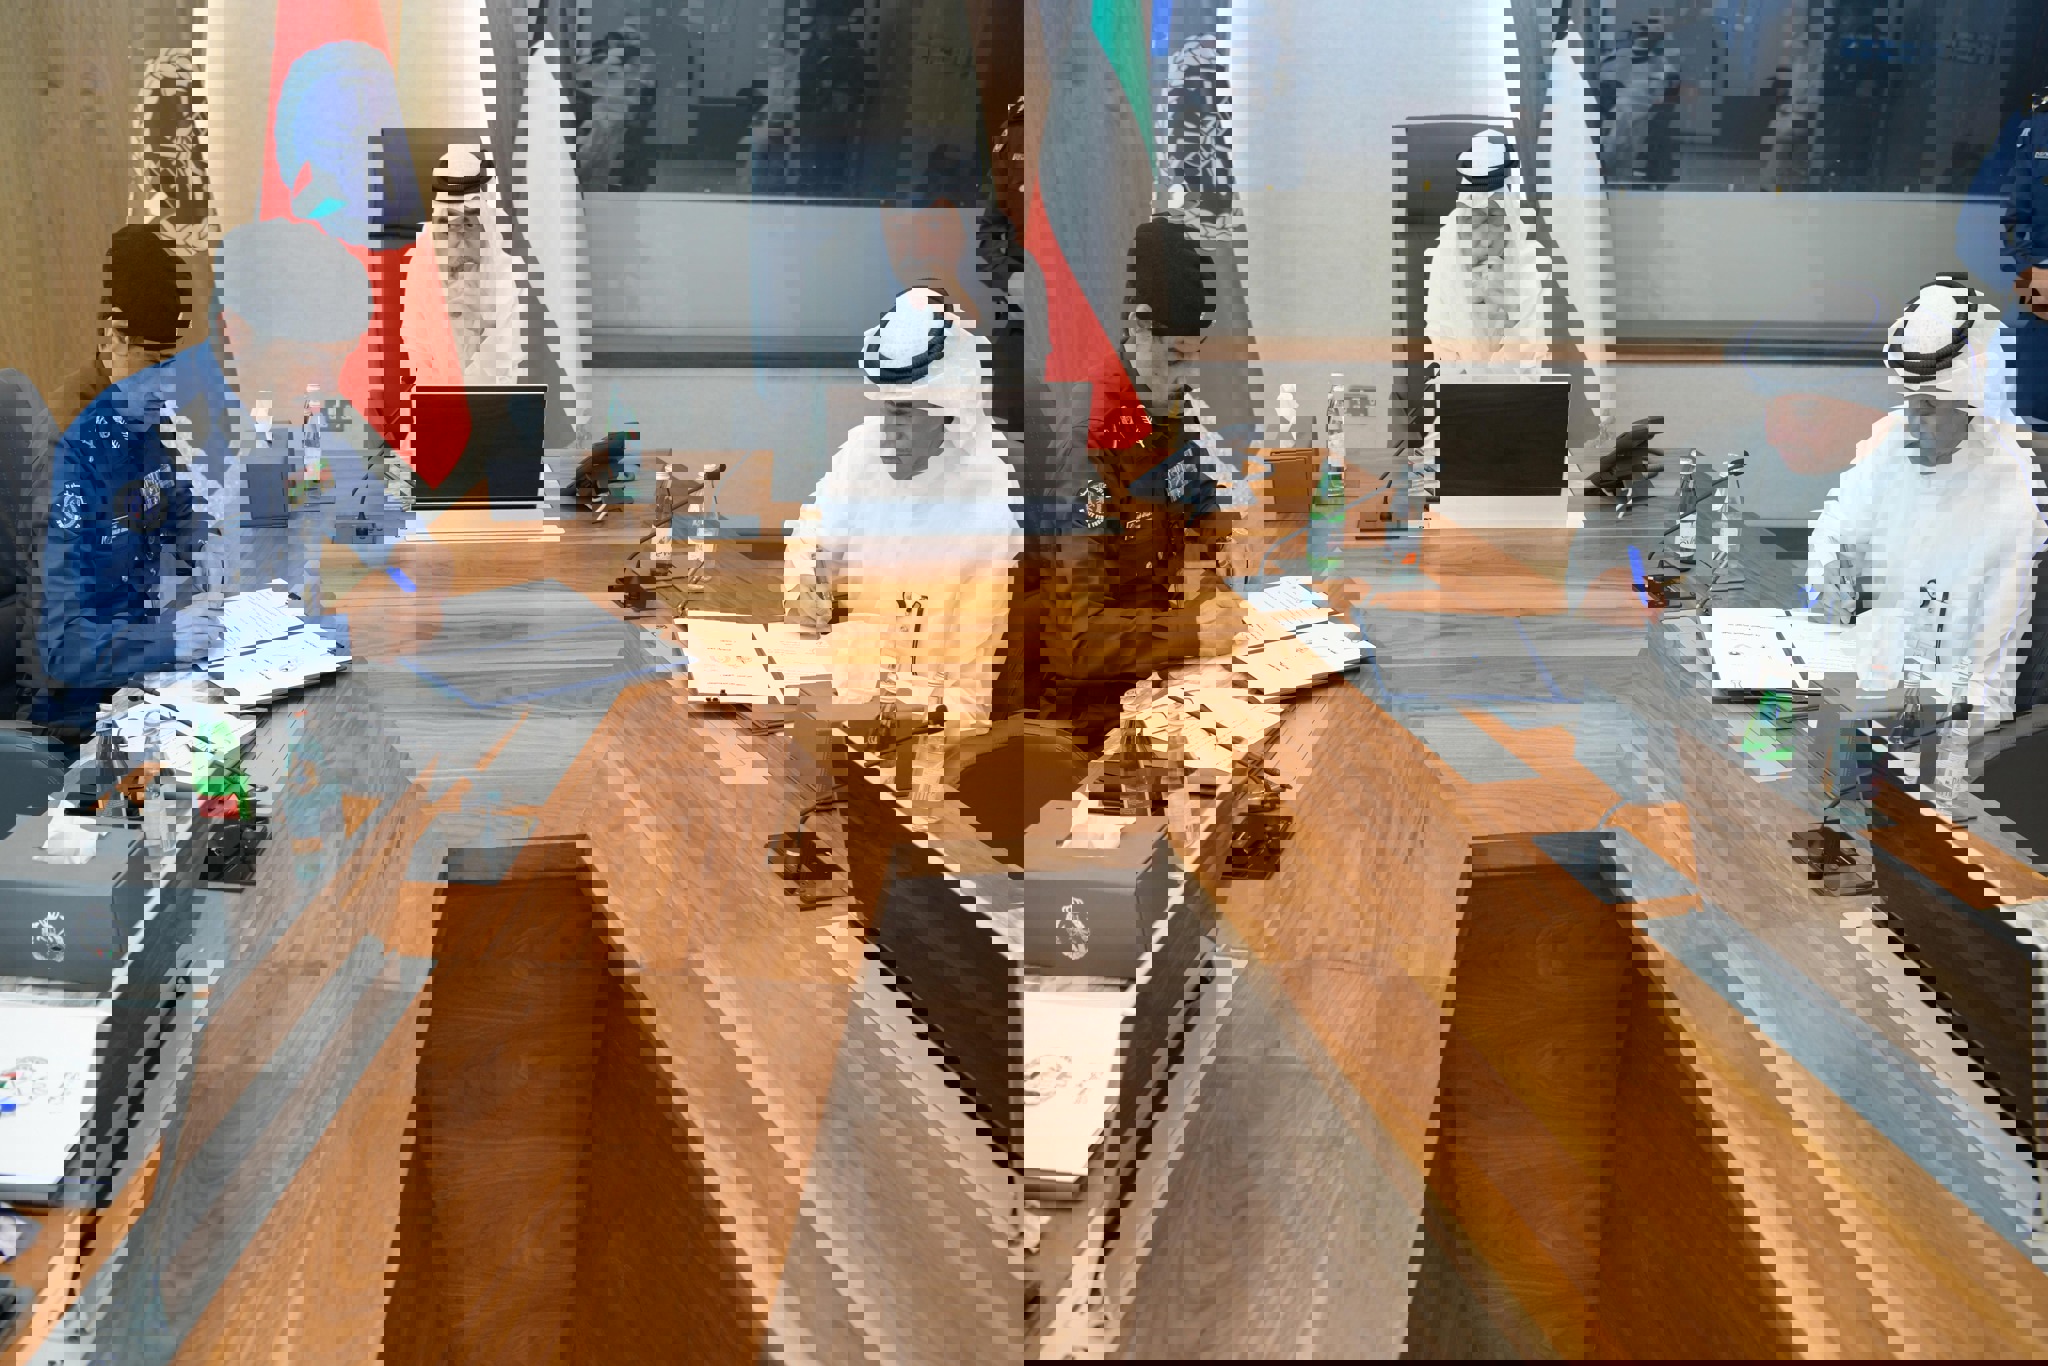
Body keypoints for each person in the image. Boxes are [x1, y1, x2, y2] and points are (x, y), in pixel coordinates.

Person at [1803, 277, 2048, 863]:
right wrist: (1831, 592)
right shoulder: (1892, 440)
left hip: (1951, 743)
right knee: (1765, 755)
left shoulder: (2012, 490)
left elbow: (1986, 671)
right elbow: (1835, 539)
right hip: (1872, 703)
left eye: (1932, 406)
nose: (1918, 418)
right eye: (1911, 402)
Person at [1045, 215, 1252, 753]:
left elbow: (1193, 491)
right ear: (1137, 327)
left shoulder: (1164, 406)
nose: (1186, 378)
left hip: (1164, 678)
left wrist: (1226, 534)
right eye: (1175, 358)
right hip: (1097, 720)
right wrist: (1193, 632)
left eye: (1194, 359)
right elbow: (1080, 640)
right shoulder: (1087, 445)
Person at [36, 226, 232, 738]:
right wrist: (165, 641)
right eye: (152, 362)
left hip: (152, 671)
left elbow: (172, 511)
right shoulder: (67, 441)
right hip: (92, 709)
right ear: (112, 336)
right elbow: (64, 648)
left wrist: (209, 548)